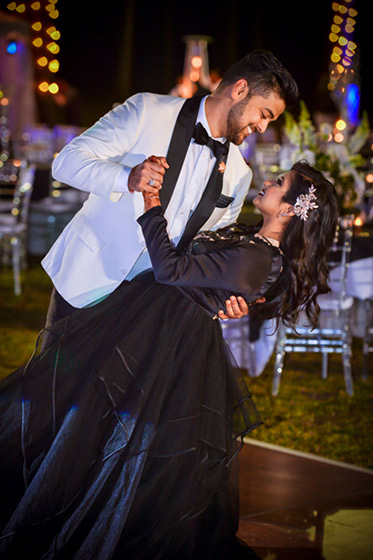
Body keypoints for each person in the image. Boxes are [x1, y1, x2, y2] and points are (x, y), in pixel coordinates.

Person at [0, 160, 339, 559]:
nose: (269, 182)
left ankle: (97, 520)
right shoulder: (256, 246)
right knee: (95, 419)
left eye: (280, 183)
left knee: (110, 427)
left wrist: (151, 202)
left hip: (163, 336)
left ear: (288, 210)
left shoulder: (260, 258)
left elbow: (170, 269)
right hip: (151, 321)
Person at [41, 50, 298, 329]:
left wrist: (224, 296)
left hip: (152, 309)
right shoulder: (147, 110)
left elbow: (208, 252)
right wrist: (127, 179)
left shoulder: (239, 174)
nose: (263, 127)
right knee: (58, 373)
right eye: (264, 114)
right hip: (87, 279)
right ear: (239, 89)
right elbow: (66, 162)